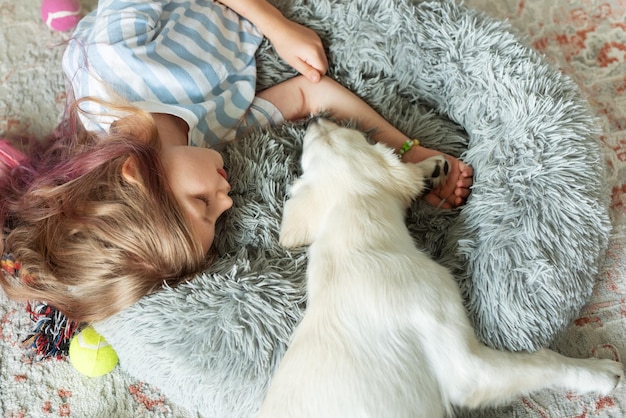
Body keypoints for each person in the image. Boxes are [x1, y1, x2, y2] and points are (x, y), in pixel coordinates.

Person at [0, 0, 472, 323]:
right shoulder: (207, 141)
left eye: (203, 202)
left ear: (137, 173)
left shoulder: (118, 57)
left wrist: (276, 26)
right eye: (216, 215)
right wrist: (407, 153)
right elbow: (309, 93)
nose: (226, 200)